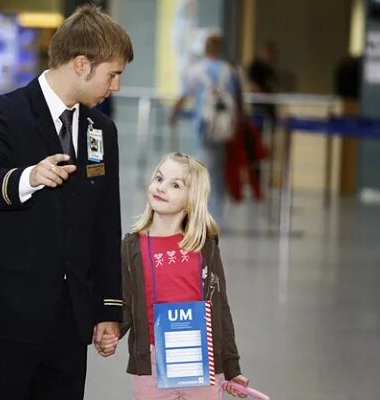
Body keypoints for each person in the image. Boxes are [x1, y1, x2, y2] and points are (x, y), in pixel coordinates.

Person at [0, 5, 133, 400]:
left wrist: (109, 309)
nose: (116, 87)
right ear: (81, 64)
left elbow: (106, 223)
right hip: (8, 312)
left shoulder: (101, 131)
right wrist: (28, 177)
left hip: (69, 322)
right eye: (113, 74)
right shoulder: (4, 113)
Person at [116, 152, 249, 400]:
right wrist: (109, 329)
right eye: (159, 178)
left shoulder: (204, 246)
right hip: (151, 366)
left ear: (192, 199)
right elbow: (125, 303)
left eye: (175, 185)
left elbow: (220, 307)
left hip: (202, 362)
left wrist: (230, 367)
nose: (161, 187)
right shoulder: (131, 247)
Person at [169, 34, 239, 226]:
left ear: (205, 49)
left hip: (204, 126)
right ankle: (218, 213)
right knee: (217, 169)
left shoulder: (197, 70)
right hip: (224, 126)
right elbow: (237, 100)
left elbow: (184, 95)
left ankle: (207, 213)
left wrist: (174, 114)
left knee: (204, 168)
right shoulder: (229, 71)